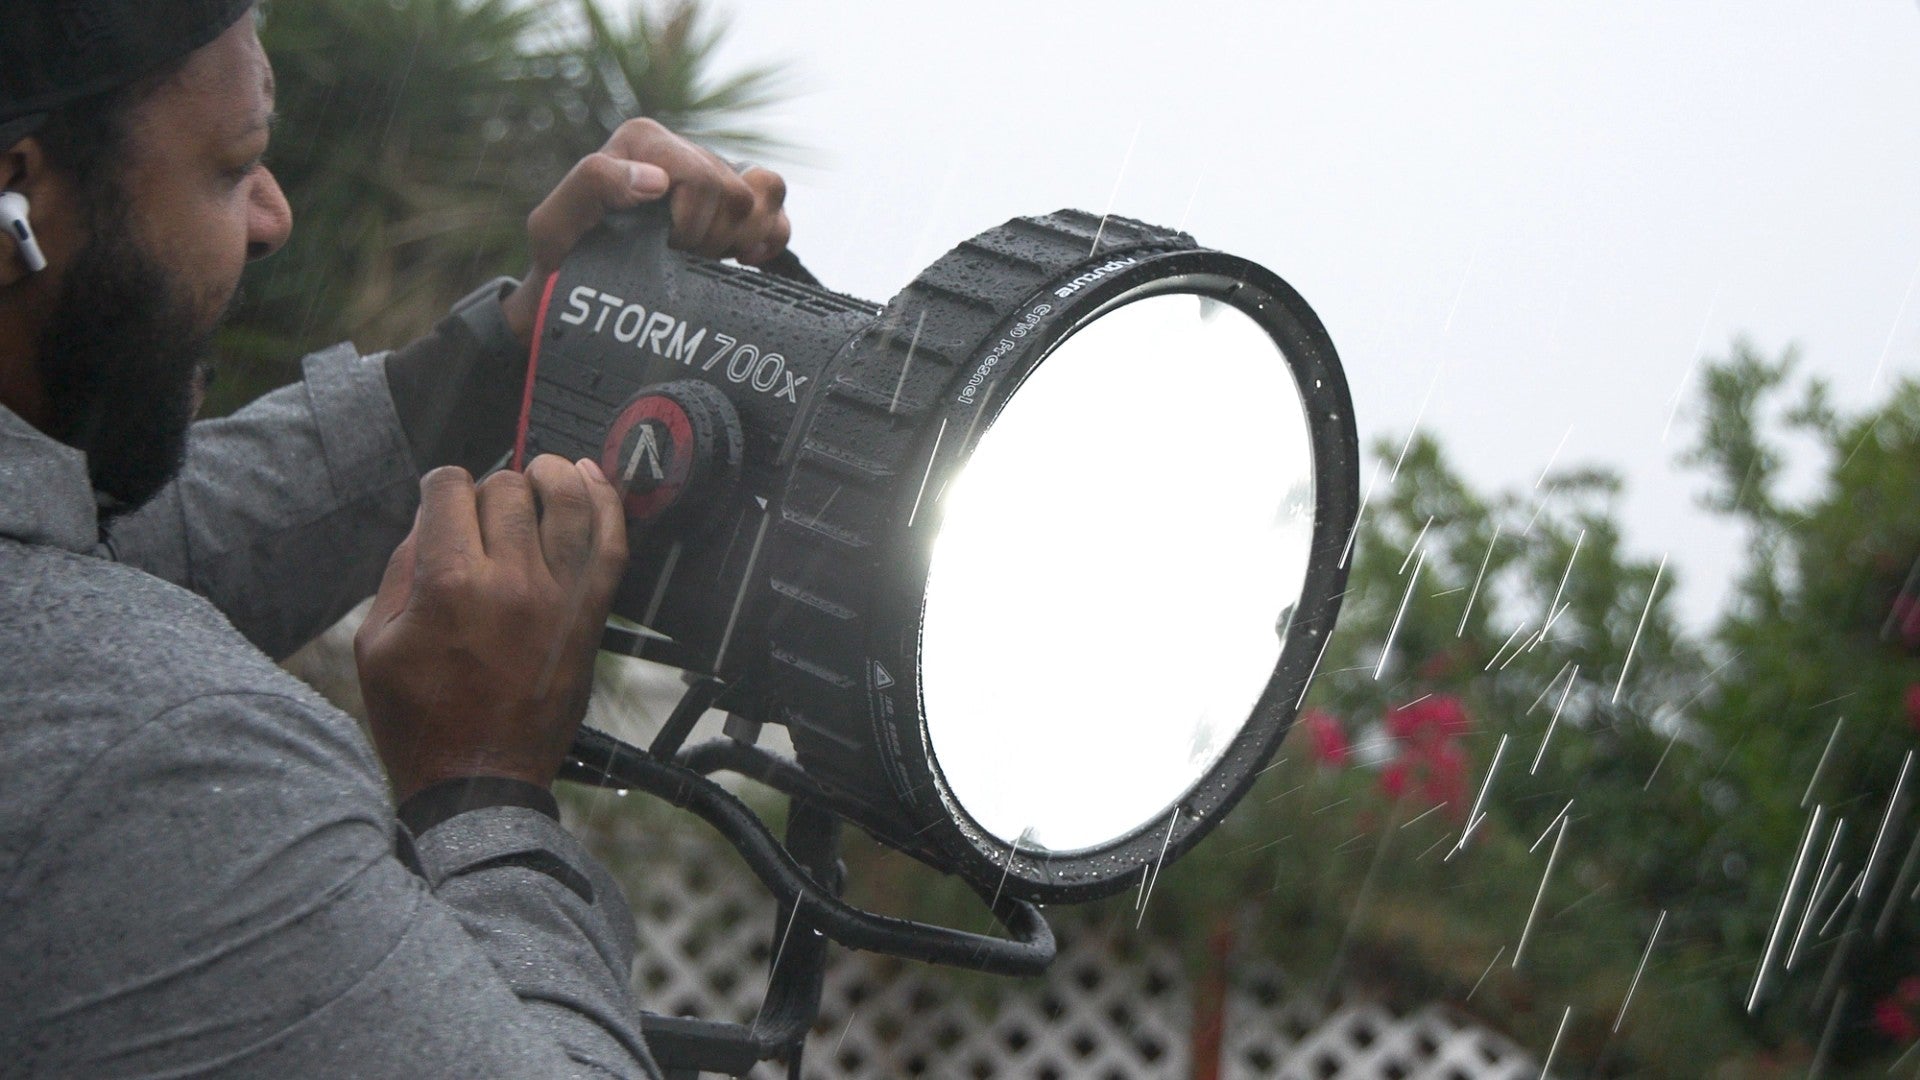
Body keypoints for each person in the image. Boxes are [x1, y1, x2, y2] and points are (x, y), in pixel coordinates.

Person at [0, 2, 791, 1075]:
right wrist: (484, 785)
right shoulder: (167, 759)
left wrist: (520, 348)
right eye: (232, 167)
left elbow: (118, 551)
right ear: (17, 198)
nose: (272, 216)